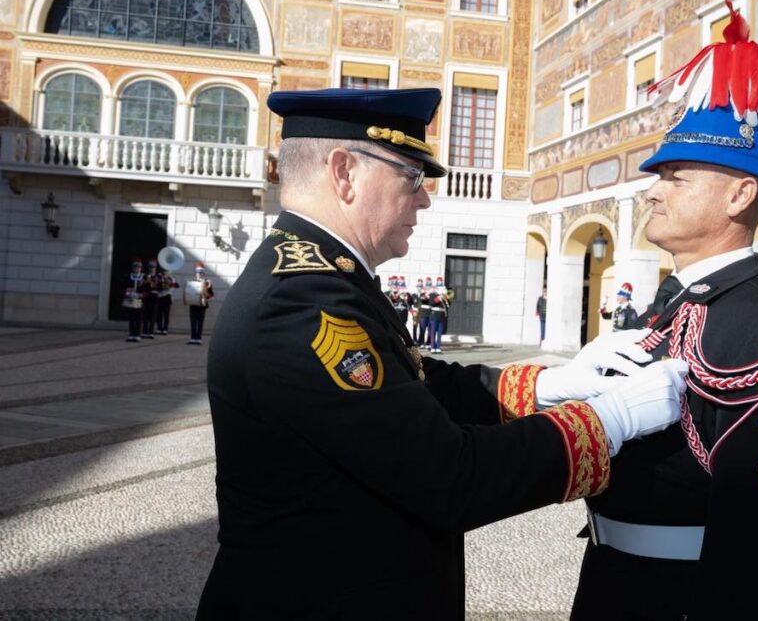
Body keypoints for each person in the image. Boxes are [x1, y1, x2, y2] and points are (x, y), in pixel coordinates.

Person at [196, 86, 689, 618]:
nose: (425, 197)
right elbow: (449, 476)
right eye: (411, 176)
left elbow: (414, 382)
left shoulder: (323, 278)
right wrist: (607, 419)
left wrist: (551, 384)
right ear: (344, 173)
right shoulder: (301, 302)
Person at [568, 3, 758, 621]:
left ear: (741, 193)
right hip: (612, 580)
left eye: (676, 177)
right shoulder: (673, 308)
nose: (653, 189)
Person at [185, 263, 214, 345]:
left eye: (200, 273)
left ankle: (198, 338)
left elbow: (211, 294)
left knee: (200, 321)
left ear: (203, 274)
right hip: (193, 304)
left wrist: (206, 295)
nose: (199, 274)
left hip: (202, 305)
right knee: (193, 321)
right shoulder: (192, 282)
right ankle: (192, 338)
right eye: (197, 273)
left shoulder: (207, 282)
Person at [122, 257, 145, 343]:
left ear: (141, 267)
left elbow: (147, 289)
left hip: (139, 299)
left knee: (139, 317)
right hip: (130, 299)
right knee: (131, 317)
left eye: (138, 266)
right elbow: (123, 286)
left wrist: (142, 294)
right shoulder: (128, 276)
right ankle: (131, 334)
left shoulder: (144, 277)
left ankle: (137, 334)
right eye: (135, 266)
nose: (137, 268)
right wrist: (126, 292)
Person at [155, 265, 178, 335]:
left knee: (166, 314)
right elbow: (157, 286)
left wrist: (170, 283)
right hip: (160, 296)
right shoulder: (159, 277)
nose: (165, 272)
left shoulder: (171, 278)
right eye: (164, 271)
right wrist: (161, 280)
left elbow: (176, 285)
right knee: (159, 313)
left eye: (167, 271)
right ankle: (159, 328)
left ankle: (165, 328)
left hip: (167, 297)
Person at [429, 276, 449, 354]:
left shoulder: (444, 296)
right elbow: (431, 303)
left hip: (441, 316)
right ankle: (432, 347)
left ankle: (438, 347)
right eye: (439, 287)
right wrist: (438, 298)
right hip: (434, 315)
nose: (441, 288)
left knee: (440, 333)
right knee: (433, 332)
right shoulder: (433, 294)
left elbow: (448, 305)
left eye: (441, 287)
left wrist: (445, 298)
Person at [141, 258, 160, 339]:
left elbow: (160, 287)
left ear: (156, 267)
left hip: (154, 298)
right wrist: (146, 282)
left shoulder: (158, 276)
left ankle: (151, 332)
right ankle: (144, 331)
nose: (152, 268)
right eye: (150, 267)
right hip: (146, 297)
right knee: (145, 314)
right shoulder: (145, 276)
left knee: (152, 315)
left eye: (153, 267)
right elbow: (141, 287)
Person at [418, 276, 435, 347]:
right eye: (427, 285)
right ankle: (421, 342)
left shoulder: (432, 294)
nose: (428, 288)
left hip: (430, 314)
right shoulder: (422, 293)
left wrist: (430, 295)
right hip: (423, 313)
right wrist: (425, 295)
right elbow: (422, 300)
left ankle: (428, 343)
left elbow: (433, 303)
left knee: (430, 330)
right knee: (422, 329)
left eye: (429, 285)